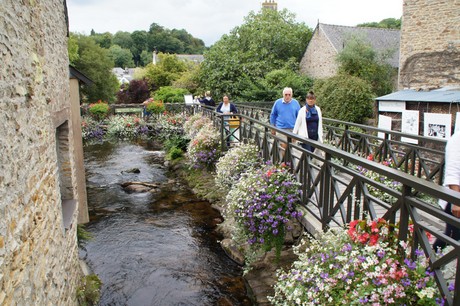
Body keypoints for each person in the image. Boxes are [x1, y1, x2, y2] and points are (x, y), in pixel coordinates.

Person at [433, 131, 460, 251]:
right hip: (456, 196)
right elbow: (452, 171)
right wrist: (456, 201)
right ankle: (431, 261)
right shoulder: (457, 139)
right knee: (452, 235)